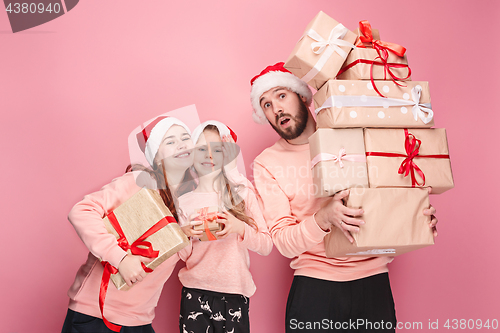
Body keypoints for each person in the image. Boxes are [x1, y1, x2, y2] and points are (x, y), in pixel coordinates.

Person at [250, 62, 438, 332]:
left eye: (281, 96)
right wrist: (324, 217)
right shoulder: (266, 163)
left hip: (372, 284)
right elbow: (283, 241)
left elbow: (389, 195)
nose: (276, 109)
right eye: (265, 104)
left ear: (302, 96)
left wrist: (417, 215)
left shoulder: (354, 135)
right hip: (314, 289)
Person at [62, 116, 195, 333]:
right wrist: (120, 258)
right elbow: (81, 211)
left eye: (185, 138)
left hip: (139, 320)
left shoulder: (188, 201)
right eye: (169, 141)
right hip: (97, 316)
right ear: (156, 154)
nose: (180, 144)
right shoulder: (140, 181)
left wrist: (188, 233)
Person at [177, 120, 273, 333]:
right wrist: (184, 234)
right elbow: (182, 255)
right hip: (194, 292)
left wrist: (239, 227)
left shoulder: (242, 192)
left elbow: (266, 245)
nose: (209, 155)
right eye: (201, 148)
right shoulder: (183, 202)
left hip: (234, 295)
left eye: (217, 150)